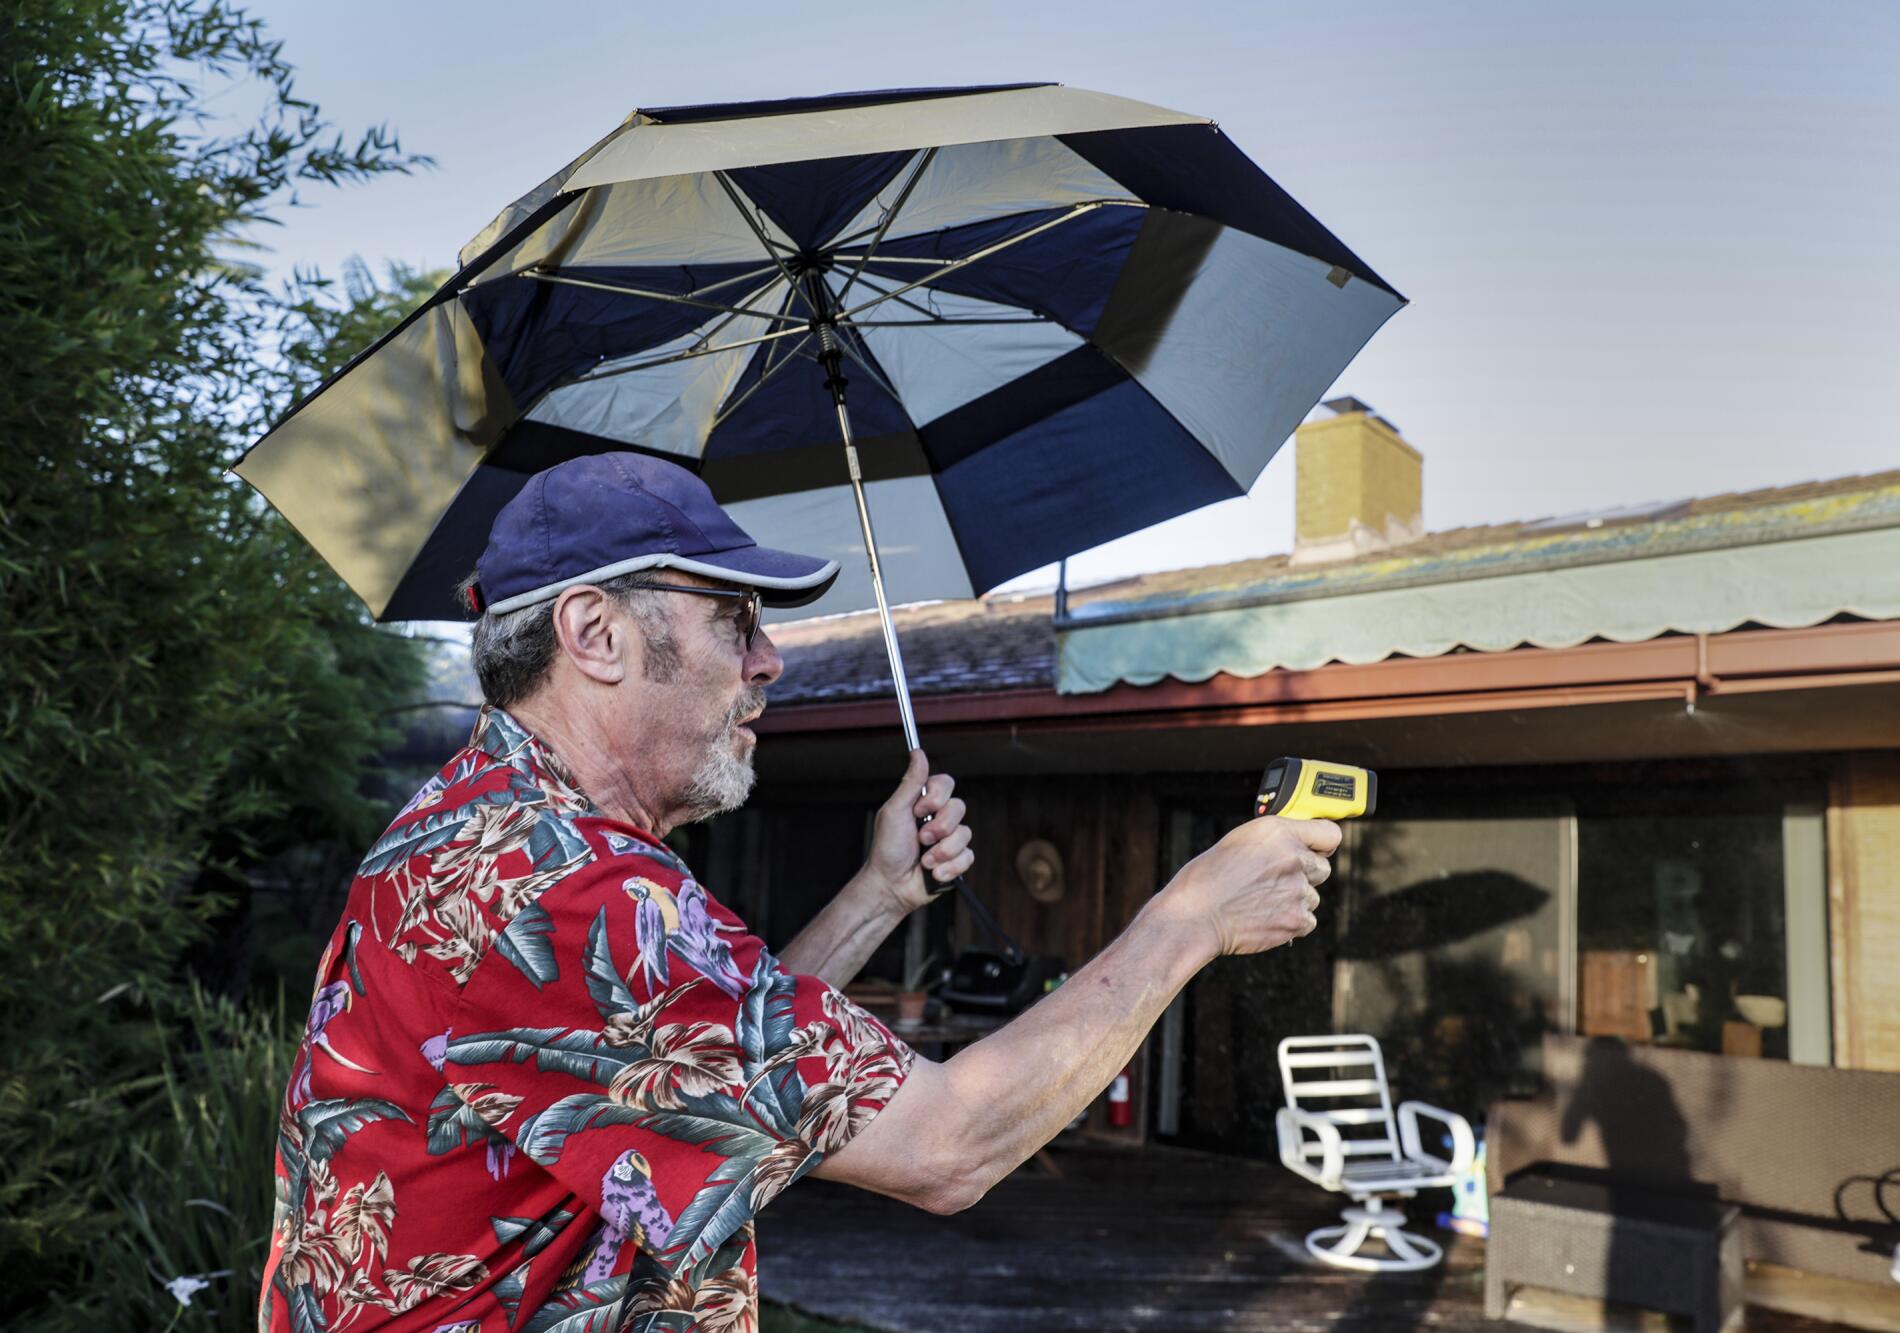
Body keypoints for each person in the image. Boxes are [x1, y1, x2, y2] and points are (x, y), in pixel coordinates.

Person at [259, 451, 1339, 1333]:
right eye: (736, 618)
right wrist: (1188, 916)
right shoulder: (575, 890)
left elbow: (700, 1076)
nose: (770, 657)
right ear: (593, 635)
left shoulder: (483, 823)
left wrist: (876, 892)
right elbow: (944, 1147)